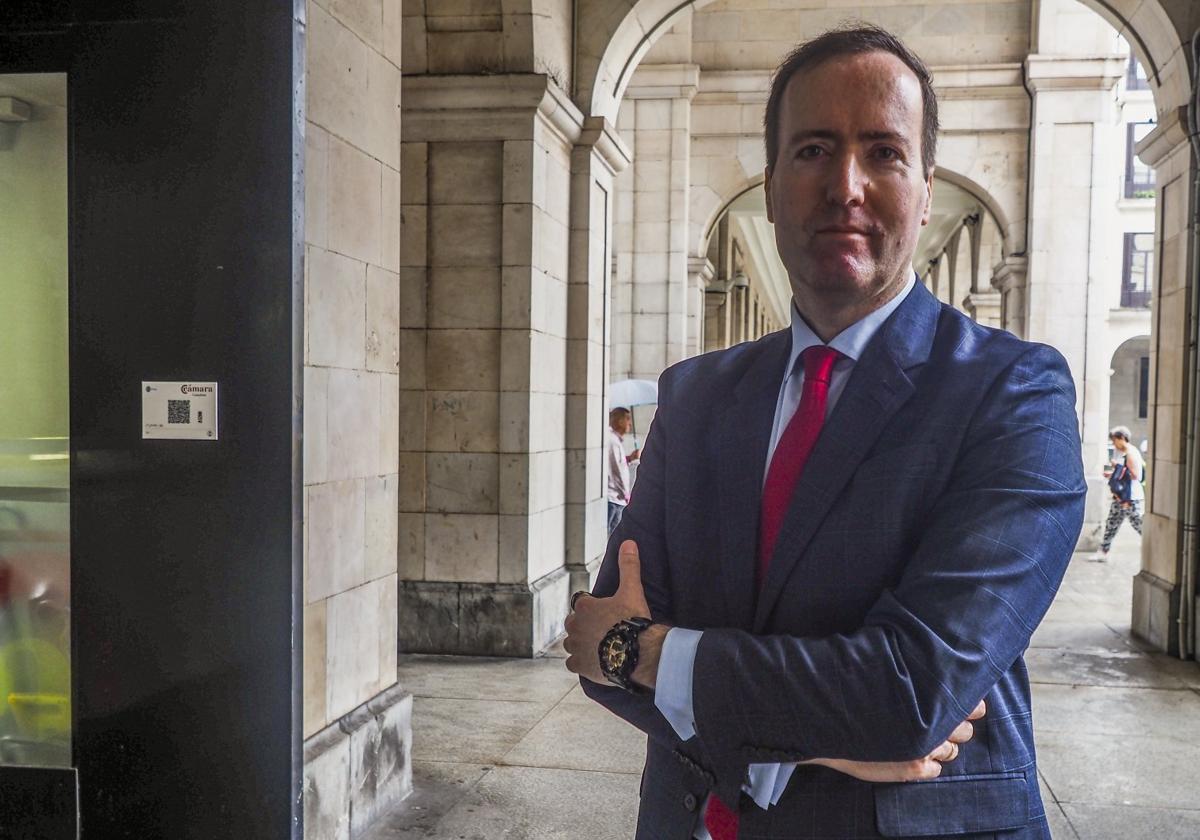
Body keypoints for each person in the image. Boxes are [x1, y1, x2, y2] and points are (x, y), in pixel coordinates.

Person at [563, 25, 1085, 840]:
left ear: (924, 187)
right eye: (813, 150)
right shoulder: (697, 396)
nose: (847, 184)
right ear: (770, 187)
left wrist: (650, 653)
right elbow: (596, 642)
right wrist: (818, 746)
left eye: (884, 152)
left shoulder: (1014, 392)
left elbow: (910, 696)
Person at [1089, 425, 1145, 561]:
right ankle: (1103, 551)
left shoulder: (1131, 453)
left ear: (1122, 438)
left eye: (1115, 440)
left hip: (1130, 497)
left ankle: (1154, 545)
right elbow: (1114, 469)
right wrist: (1111, 472)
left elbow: (1135, 475)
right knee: (1112, 523)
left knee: (1138, 523)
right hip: (1119, 496)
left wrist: (1117, 468)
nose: (1113, 443)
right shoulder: (1117, 451)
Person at [606, 407, 640, 535]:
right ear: (619, 421)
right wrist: (626, 494)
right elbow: (616, 471)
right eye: (627, 419)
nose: (630, 423)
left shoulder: (615, 441)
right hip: (614, 497)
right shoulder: (612, 441)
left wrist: (630, 458)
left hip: (617, 498)